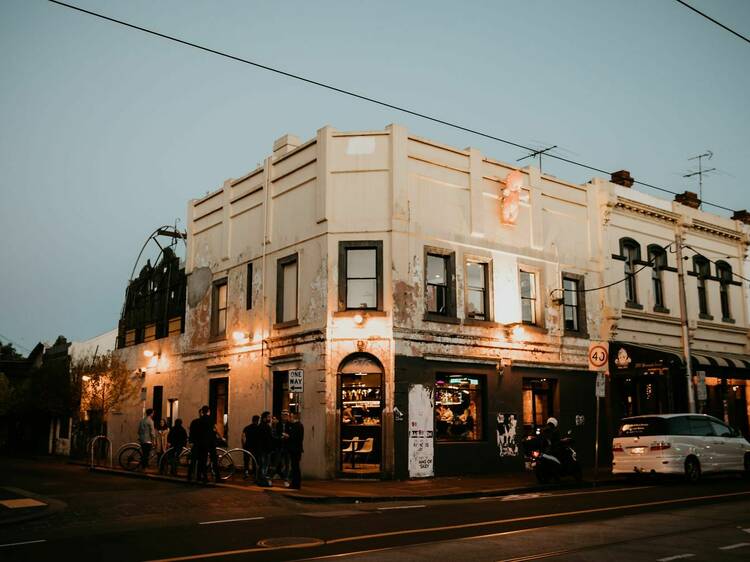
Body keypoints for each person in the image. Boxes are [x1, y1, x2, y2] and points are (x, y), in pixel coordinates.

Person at [188, 406, 215, 484]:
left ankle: (190, 476)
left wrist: (191, 442)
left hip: (196, 444)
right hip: (204, 444)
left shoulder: (195, 422)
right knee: (202, 461)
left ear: (201, 412)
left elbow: (191, 433)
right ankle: (203, 477)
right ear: (208, 411)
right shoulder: (209, 421)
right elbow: (210, 433)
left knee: (193, 461)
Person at [273, 410, 292, 486]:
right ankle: (274, 475)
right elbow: (275, 434)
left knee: (287, 463)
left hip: (287, 446)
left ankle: (286, 479)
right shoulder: (278, 424)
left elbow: (292, 435)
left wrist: (288, 436)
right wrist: (279, 437)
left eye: (286, 415)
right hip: (280, 446)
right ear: (281, 416)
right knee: (276, 462)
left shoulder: (290, 424)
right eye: (283, 415)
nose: (285, 416)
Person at [287, 412, 304, 489]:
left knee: (295, 467)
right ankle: (295, 483)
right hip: (296, 449)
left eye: (290, 416)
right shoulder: (299, 425)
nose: (289, 418)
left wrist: (288, 436)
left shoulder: (297, 426)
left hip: (295, 449)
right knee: (295, 467)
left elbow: (294, 437)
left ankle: (295, 484)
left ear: (293, 417)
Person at [256, 411, 274, 487]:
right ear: (264, 418)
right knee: (264, 466)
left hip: (264, 449)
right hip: (264, 450)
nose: (270, 418)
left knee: (263, 466)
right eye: (269, 417)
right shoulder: (265, 427)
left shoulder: (262, 426)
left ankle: (261, 480)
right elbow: (268, 439)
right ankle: (262, 481)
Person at [241, 415, 260, 479]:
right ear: (258, 420)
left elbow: (243, 437)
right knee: (254, 461)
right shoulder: (258, 428)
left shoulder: (247, 427)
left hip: (247, 446)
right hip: (255, 447)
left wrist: (244, 445)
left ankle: (246, 473)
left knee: (246, 461)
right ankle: (254, 474)